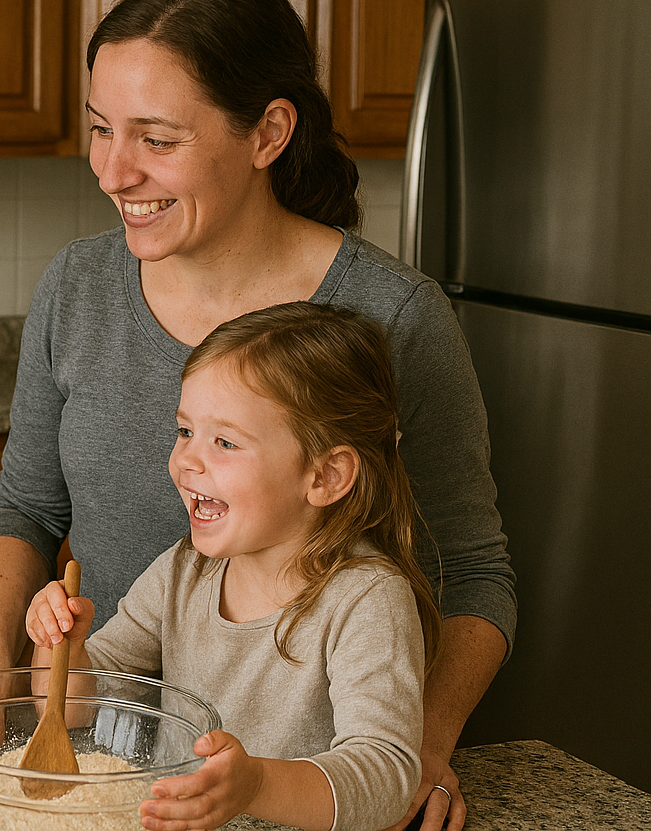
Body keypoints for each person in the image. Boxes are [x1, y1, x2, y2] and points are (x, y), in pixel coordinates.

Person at [0, 0, 514, 831]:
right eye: (101, 129)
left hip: (307, 787)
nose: (113, 172)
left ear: (267, 132)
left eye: (156, 139)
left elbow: (474, 573)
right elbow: (26, 504)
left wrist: (423, 742)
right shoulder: (77, 285)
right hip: (109, 760)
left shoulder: (393, 317)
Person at [27, 302, 441, 831]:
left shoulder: (365, 599)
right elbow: (73, 712)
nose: (188, 461)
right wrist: (60, 648)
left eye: (224, 441)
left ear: (326, 475)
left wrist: (258, 785)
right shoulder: (183, 572)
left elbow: (385, 778)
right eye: (184, 432)